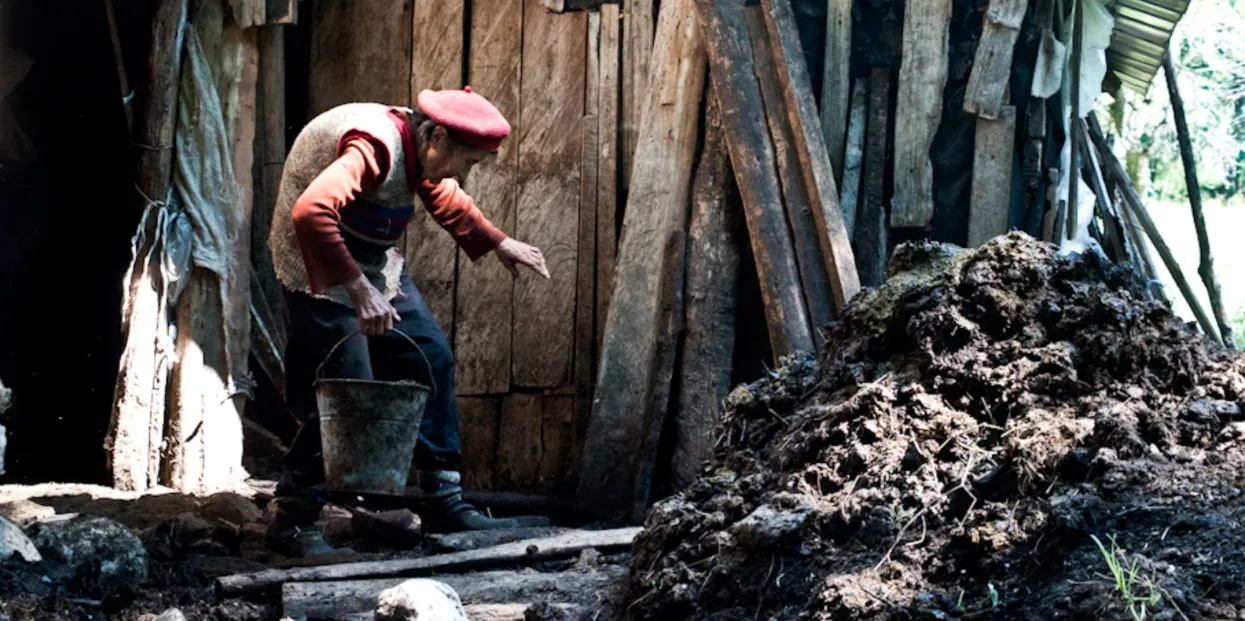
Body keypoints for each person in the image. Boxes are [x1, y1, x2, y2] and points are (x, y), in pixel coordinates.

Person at [265, 87, 550, 558]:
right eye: (469, 161)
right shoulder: (374, 147)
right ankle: (292, 518)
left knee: (430, 356)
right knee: (347, 388)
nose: (465, 173)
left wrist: (497, 241)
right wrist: (359, 293)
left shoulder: (422, 150)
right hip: (315, 259)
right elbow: (311, 212)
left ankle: (443, 497)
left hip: (373, 261)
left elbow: (441, 189)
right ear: (436, 135)